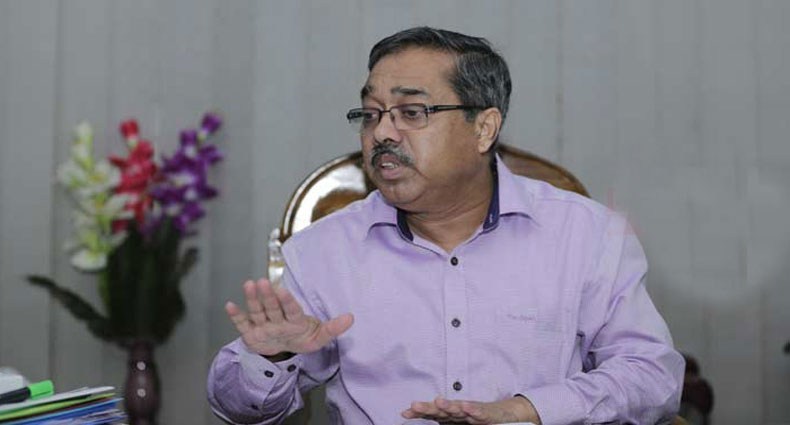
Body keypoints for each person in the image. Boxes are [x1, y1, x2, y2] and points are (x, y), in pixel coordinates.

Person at [207, 26, 684, 425]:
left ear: (484, 128)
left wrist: (528, 411)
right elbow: (238, 409)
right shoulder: (323, 251)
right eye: (370, 115)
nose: (382, 132)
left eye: (412, 113)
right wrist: (271, 359)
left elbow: (653, 377)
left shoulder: (586, 235)